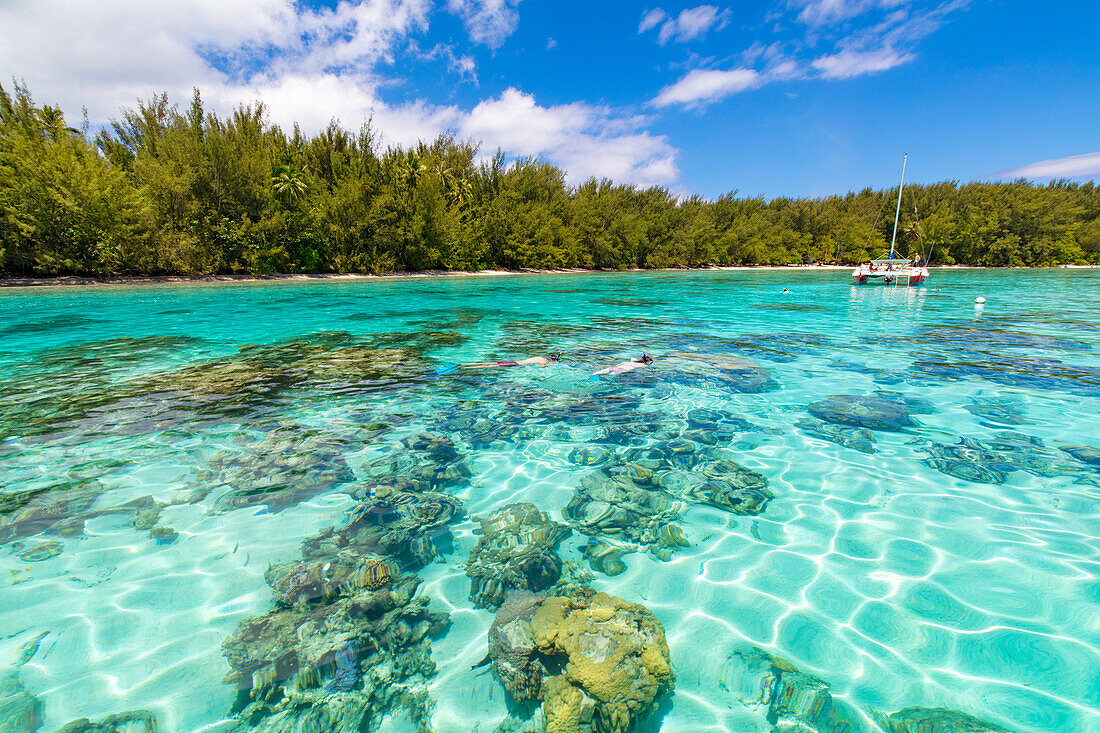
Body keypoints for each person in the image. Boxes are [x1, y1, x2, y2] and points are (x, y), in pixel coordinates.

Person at [458, 353, 561, 370]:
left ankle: (463, 364)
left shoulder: (540, 357)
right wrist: (550, 364)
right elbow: (541, 367)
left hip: (514, 361)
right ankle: (466, 368)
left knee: (486, 363)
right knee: (489, 367)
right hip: (514, 364)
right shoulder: (543, 361)